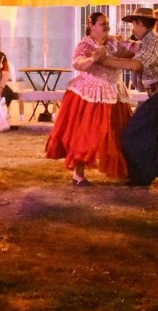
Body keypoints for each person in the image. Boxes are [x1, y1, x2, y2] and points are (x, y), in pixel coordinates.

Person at [95, 8, 158, 193]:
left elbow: (135, 64)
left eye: (134, 24)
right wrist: (110, 42)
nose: (132, 28)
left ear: (141, 24)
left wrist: (104, 61)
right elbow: (128, 51)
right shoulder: (147, 42)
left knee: (132, 134)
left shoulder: (152, 43)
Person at [45, 12, 133, 185]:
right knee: (89, 134)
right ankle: (78, 175)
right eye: (102, 23)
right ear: (91, 26)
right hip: (92, 95)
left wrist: (131, 44)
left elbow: (129, 52)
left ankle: (127, 169)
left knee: (119, 133)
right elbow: (78, 64)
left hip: (113, 93)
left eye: (107, 23)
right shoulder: (86, 44)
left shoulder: (112, 42)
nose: (107, 26)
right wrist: (93, 58)